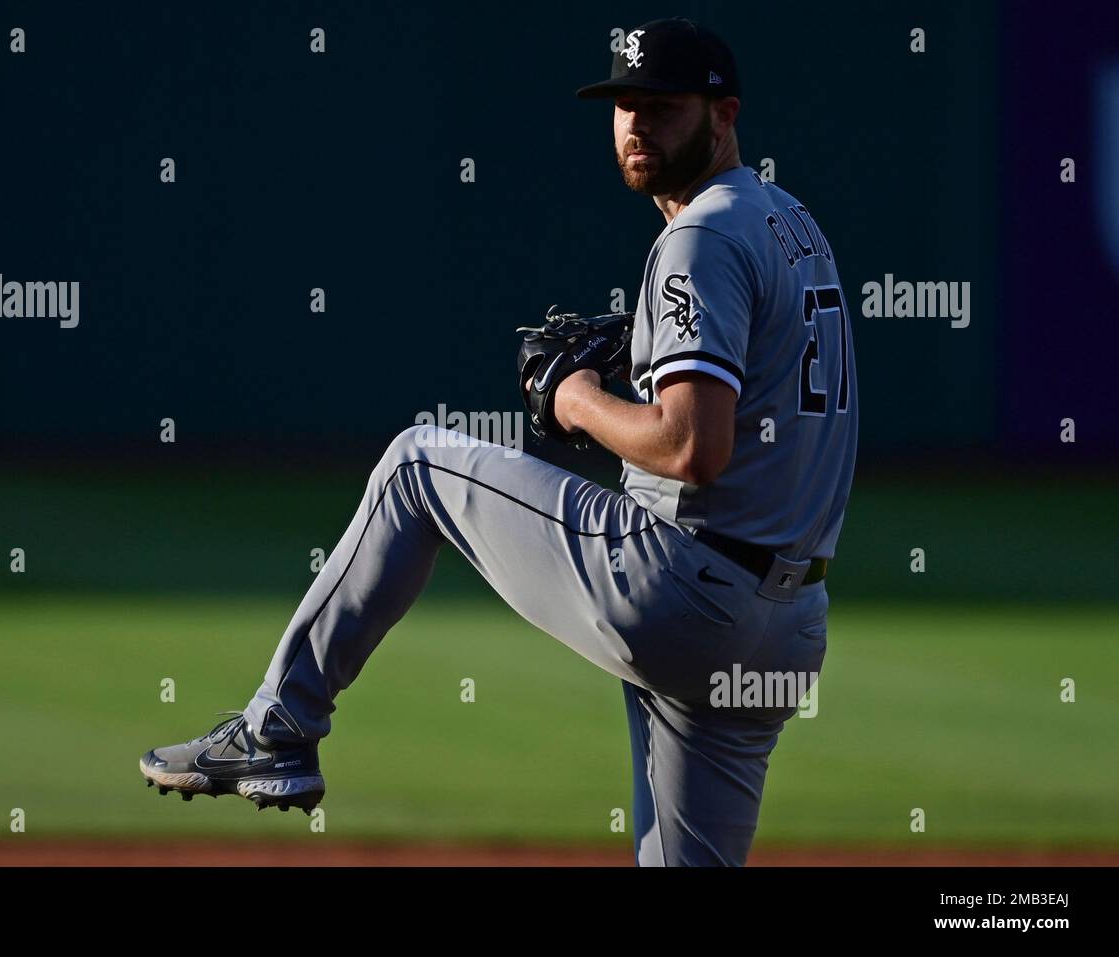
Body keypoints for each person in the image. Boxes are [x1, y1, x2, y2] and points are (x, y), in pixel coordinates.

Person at [140, 16, 858, 866]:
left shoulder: (699, 236)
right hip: (787, 624)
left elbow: (692, 447)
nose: (636, 125)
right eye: (623, 105)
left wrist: (576, 397)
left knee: (415, 466)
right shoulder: (791, 222)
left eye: (661, 106)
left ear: (724, 113)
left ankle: (278, 729)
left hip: (681, 590)